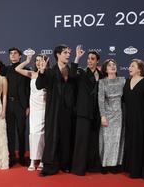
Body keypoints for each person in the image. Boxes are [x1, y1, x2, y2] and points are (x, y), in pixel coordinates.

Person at [36, 44, 76, 176]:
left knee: (66, 137)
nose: (68, 55)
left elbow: (75, 82)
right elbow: (39, 85)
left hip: (68, 110)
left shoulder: (71, 70)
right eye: (65, 52)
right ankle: (50, 167)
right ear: (58, 55)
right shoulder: (50, 71)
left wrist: (76, 60)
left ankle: (65, 165)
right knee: (52, 137)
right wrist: (41, 72)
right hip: (53, 110)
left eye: (69, 53)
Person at [70, 46, 102, 176]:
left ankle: (92, 166)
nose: (89, 61)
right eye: (88, 59)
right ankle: (78, 168)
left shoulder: (102, 75)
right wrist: (77, 57)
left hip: (96, 112)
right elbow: (71, 75)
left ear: (97, 61)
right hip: (83, 111)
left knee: (94, 141)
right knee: (81, 141)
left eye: (92, 59)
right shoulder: (81, 73)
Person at [15, 52, 48, 171]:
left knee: (43, 135)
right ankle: (33, 160)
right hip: (34, 109)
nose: (39, 62)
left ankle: (43, 160)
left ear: (46, 62)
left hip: (44, 108)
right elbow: (17, 68)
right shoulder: (32, 74)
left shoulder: (48, 75)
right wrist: (27, 61)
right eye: (37, 60)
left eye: (41, 60)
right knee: (33, 134)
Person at [4, 47, 30, 167]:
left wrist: (28, 106)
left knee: (21, 131)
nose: (13, 55)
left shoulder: (26, 69)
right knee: (10, 132)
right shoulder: (6, 69)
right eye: (11, 54)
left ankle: (21, 157)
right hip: (9, 104)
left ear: (20, 56)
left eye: (15, 53)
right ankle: (12, 157)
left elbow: (29, 89)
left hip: (21, 105)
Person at [98, 59, 125, 174]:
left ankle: (115, 164)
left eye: (114, 64)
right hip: (107, 114)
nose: (113, 66)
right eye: (109, 65)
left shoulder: (122, 80)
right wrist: (103, 116)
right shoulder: (102, 82)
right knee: (106, 139)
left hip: (119, 113)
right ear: (105, 69)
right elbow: (101, 100)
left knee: (117, 139)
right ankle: (104, 164)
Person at [122, 59, 144, 178]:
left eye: (132, 66)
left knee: (138, 142)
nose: (129, 68)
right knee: (130, 141)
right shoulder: (127, 81)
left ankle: (137, 170)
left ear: (139, 69)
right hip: (129, 117)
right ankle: (130, 167)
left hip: (141, 118)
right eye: (129, 66)